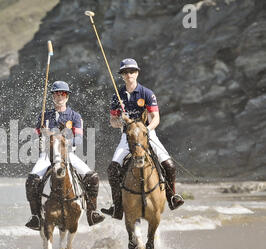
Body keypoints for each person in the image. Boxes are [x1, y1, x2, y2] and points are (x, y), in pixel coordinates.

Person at [101, 58, 184, 219]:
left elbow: (156, 118)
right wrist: (121, 121)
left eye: (132, 71)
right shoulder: (117, 96)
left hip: (147, 133)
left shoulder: (147, 93)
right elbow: (112, 122)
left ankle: (172, 197)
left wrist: (145, 129)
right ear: (122, 75)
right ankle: (117, 207)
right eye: (125, 72)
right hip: (127, 136)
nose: (129, 74)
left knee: (169, 165)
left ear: (137, 73)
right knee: (112, 169)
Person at [25, 80, 106, 230]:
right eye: (56, 93)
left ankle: (91, 212)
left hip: (67, 154)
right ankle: (36, 216)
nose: (59, 96)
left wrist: (64, 141)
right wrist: (42, 134)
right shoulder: (44, 116)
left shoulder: (74, 116)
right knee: (31, 181)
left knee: (92, 177)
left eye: (62, 94)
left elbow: (79, 138)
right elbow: (37, 137)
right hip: (47, 155)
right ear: (52, 96)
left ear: (67, 96)